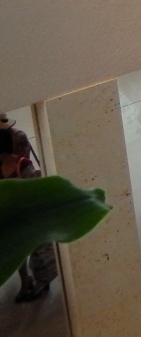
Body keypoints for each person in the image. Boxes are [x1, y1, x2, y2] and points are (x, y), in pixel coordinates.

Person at [1, 128, 58, 303]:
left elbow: (34, 187)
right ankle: (26, 281)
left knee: (38, 251)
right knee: (17, 251)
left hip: (29, 215)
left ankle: (41, 282)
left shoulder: (22, 163)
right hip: (12, 216)